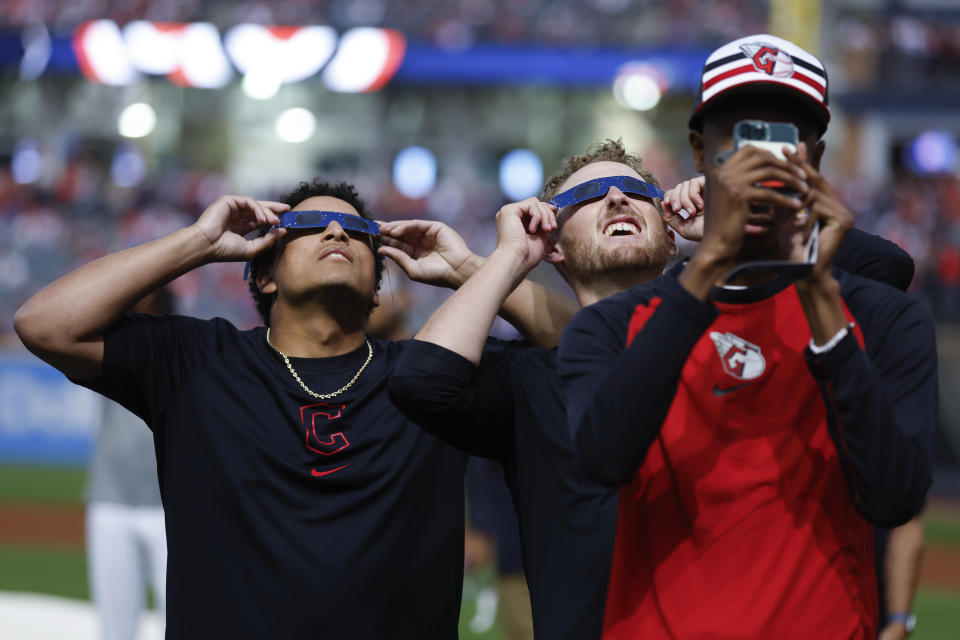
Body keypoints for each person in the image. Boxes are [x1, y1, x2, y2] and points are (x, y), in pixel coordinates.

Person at [383, 131, 918, 638]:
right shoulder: (529, 379)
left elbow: (887, 270)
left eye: (639, 192)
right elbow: (424, 382)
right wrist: (503, 260)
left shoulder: (741, 339)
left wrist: (733, 223)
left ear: (669, 234)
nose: (616, 196)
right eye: (591, 195)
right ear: (553, 244)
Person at [14, 179, 572, 639]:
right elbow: (45, 324)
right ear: (264, 273)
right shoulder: (197, 360)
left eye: (357, 231)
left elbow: (587, 351)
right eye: (309, 227)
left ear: (378, 288)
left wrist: (472, 268)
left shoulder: (433, 377)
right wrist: (198, 241)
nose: (336, 231)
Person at [558, 34, 937, 638]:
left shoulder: (885, 318)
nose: (763, 161)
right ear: (699, 150)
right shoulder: (610, 325)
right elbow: (602, 460)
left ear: (814, 155)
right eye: (742, 136)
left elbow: (895, 497)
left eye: (782, 138)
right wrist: (709, 263)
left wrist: (818, 295)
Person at [85, 289, 172, 640]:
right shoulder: (104, 339)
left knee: (183, 621)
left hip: (169, 502)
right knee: (114, 628)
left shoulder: (182, 340)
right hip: (110, 497)